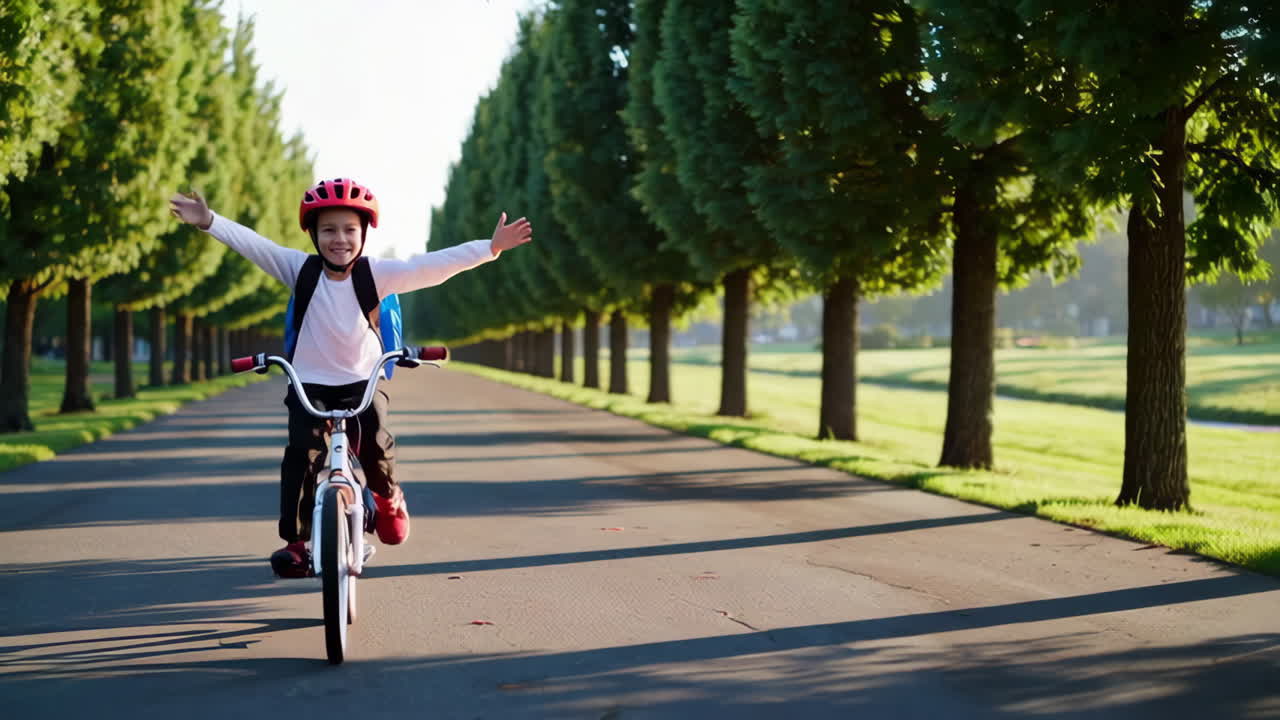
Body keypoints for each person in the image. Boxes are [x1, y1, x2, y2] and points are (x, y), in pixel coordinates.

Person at [169, 178, 532, 577]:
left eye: (348, 230)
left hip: (362, 380)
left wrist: (490, 248)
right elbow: (256, 246)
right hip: (309, 383)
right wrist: (209, 221)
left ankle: (388, 498)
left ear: (363, 234)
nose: (338, 239)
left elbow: (431, 266)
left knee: (376, 445)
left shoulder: (376, 275)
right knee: (300, 459)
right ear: (313, 234)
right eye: (328, 230)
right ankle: (297, 543)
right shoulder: (300, 271)